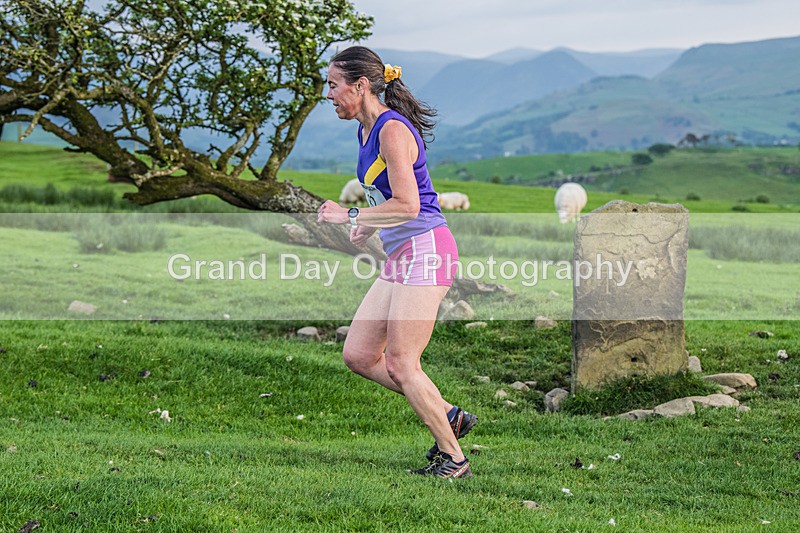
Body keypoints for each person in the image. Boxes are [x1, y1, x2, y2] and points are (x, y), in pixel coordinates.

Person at [316, 46, 476, 479]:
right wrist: (367, 225)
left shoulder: (392, 130)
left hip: (427, 249)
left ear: (360, 86)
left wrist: (348, 214)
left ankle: (454, 459)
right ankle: (448, 414)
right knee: (359, 354)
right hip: (403, 254)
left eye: (333, 85)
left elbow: (409, 205)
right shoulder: (365, 131)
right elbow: (385, 195)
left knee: (402, 363)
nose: (328, 95)